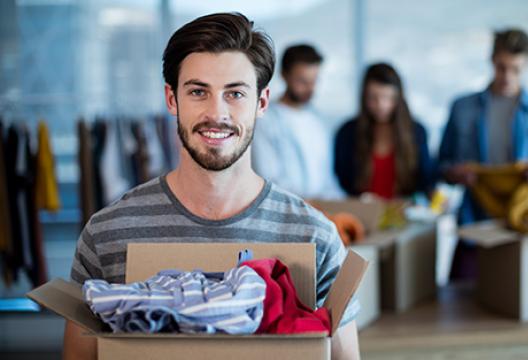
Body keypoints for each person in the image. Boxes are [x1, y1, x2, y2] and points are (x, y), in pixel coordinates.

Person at [63, 13, 360, 360]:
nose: (216, 112)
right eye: (198, 91)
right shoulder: (107, 234)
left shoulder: (315, 239)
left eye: (234, 93)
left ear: (261, 103)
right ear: (172, 99)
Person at [438, 28, 528, 277]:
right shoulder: (462, 108)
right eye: (501, 67)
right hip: (474, 222)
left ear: (527, 65)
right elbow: (442, 165)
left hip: (526, 224)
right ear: (491, 61)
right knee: (462, 304)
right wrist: (456, 173)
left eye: (516, 69)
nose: (507, 76)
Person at [252, 44, 343, 200]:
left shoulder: (318, 122)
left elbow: (327, 180)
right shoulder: (265, 120)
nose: (309, 88)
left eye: (314, 80)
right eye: (302, 81)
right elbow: (267, 179)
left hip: (321, 212)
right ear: (284, 75)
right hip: (283, 211)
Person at [334, 63, 434, 200]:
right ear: (364, 97)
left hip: (404, 213)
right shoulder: (347, 132)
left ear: (398, 97)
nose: (381, 105)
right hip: (360, 213)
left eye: (388, 98)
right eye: (373, 98)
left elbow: (426, 179)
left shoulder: (416, 132)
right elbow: (341, 180)